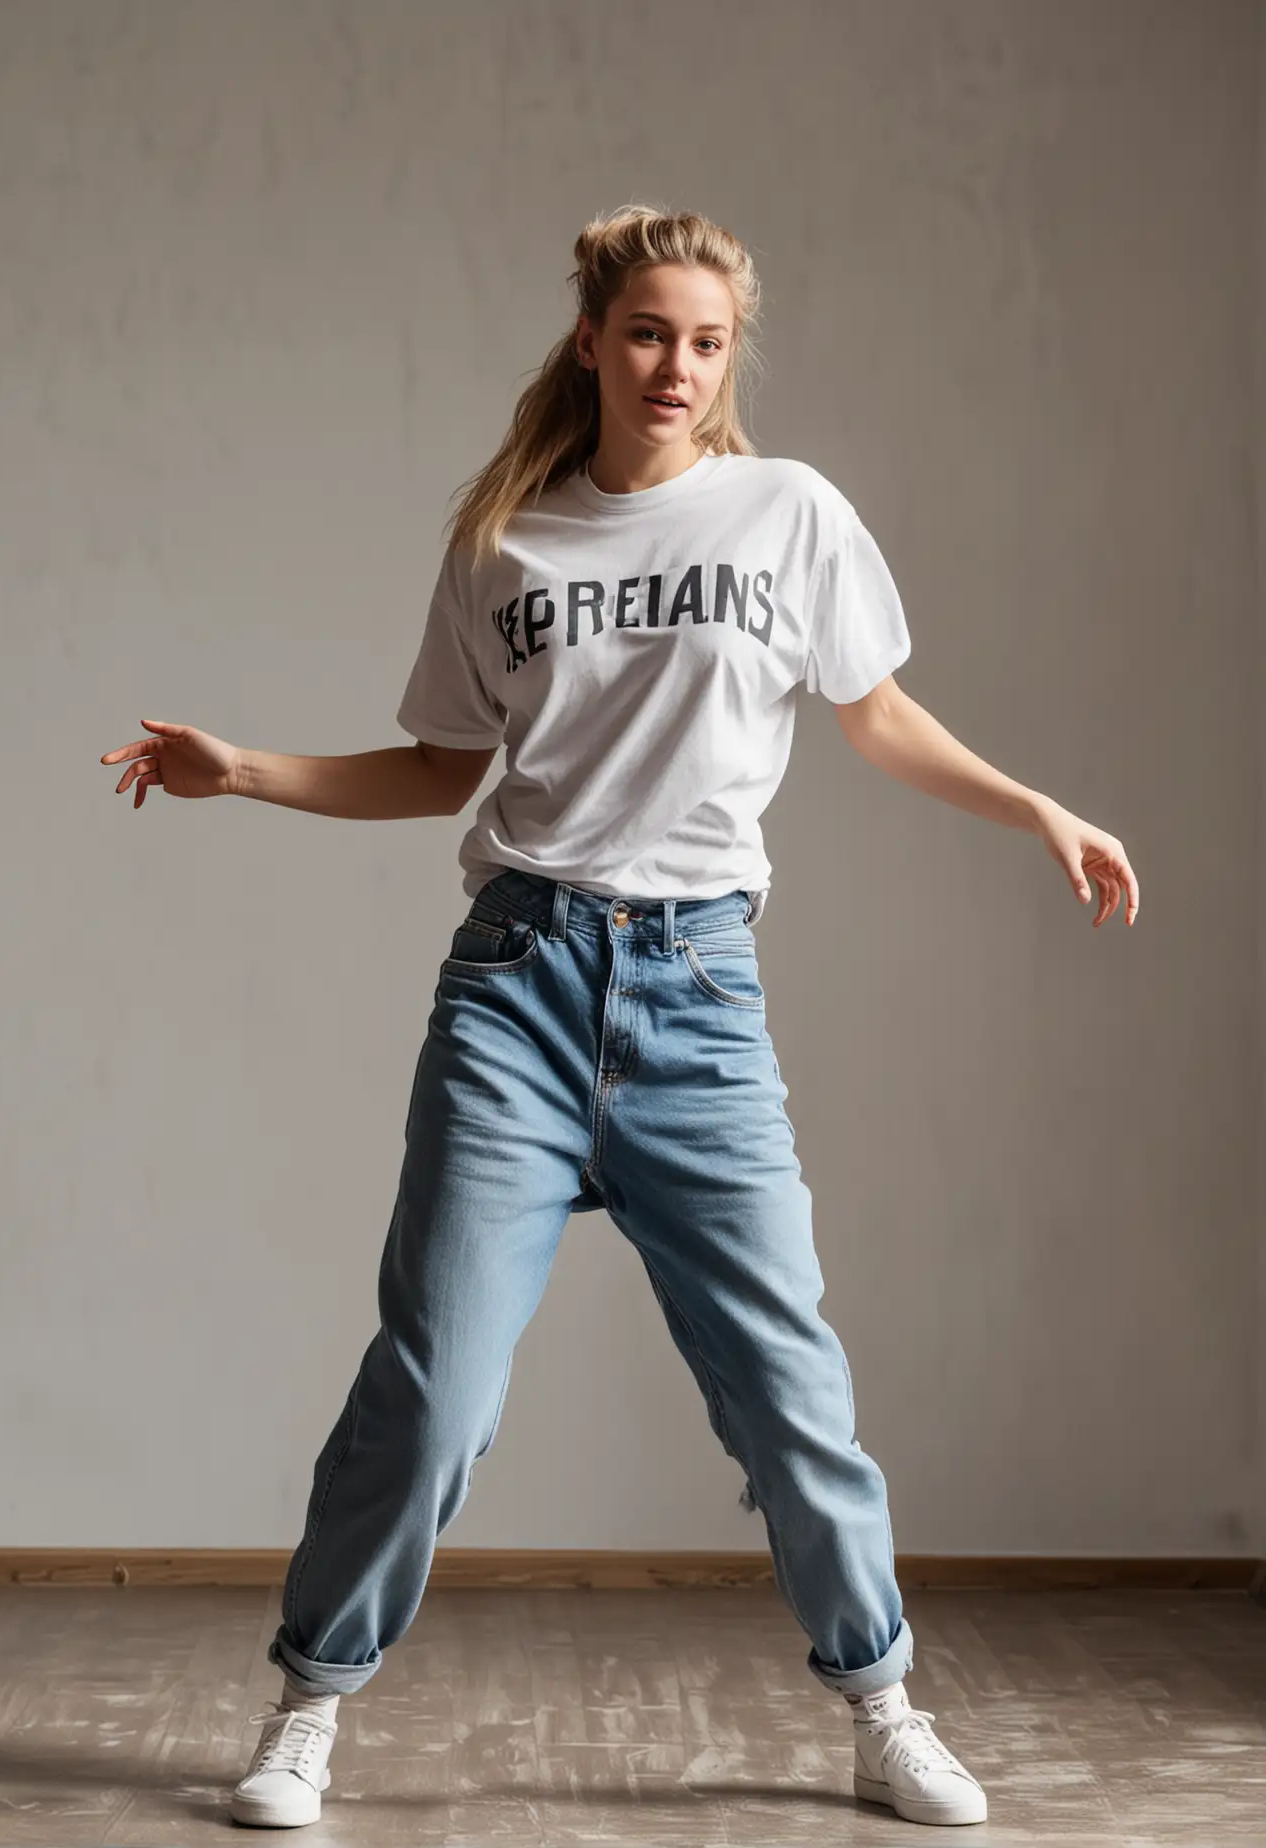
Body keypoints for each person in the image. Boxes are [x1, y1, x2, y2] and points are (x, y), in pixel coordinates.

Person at [101, 204, 1138, 1832]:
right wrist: (247, 774)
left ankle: (882, 1705)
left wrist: (1038, 811)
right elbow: (446, 770)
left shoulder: (789, 513)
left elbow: (874, 712)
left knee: (788, 1385)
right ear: (592, 337)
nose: (679, 366)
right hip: (517, 986)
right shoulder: (504, 535)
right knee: (435, 1384)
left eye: (709, 341)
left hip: (699, 999)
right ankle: (306, 1709)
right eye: (650, 332)